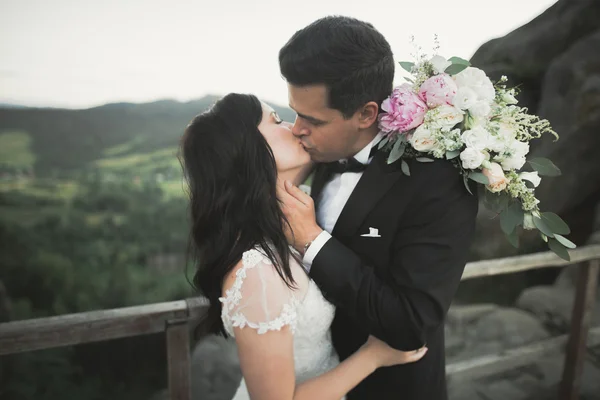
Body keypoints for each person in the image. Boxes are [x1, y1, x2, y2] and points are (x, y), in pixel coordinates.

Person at [278, 16, 479, 400]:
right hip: (310, 377)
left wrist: (311, 240)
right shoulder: (321, 150)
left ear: (367, 115)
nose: (296, 129)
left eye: (312, 119)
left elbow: (412, 322)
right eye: (294, 112)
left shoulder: (438, 181)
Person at [179, 93, 427, 400]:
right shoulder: (256, 272)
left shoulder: (294, 222)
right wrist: (372, 357)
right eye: (277, 120)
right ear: (249, 150)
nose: (295, 128)